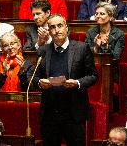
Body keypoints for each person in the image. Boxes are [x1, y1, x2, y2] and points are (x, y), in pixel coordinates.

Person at [33, 14, 98, 146]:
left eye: (60, 26)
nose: (57, 30)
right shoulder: (43, 51)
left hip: (73, 112)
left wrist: (78, 83)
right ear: (49, 31)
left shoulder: (81, 48)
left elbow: (93, 75)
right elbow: (34, 77)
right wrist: (40, 83)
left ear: (67, 28)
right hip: (50, 113)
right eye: (52, 27)